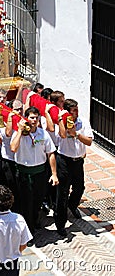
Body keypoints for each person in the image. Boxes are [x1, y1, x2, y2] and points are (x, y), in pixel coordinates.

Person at [10, 106, 58, 239]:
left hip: (40, 172)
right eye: (31, 117)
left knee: (37, 200)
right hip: (24, 173)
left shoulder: (43, 134)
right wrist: (20, 131)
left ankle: (34, 221)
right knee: (26, 203)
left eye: (37, 117)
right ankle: (28, 231)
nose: (34, 120)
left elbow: (50, 153)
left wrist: (54, 173)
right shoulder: (19, 133)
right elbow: (13, 148)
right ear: (26, 118)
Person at [54, 98, 93, 237]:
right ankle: (60, 223)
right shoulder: (61, 121)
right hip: (64, 161)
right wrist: (61, 120)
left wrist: (76, 134)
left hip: (78, 161)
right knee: (62, 193)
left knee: (79, 188)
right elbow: (63, 135)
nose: (77, 112)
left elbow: (88, 141)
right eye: (74, 110)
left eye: (77, 109)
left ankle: (72, 205)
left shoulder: (83, 122)